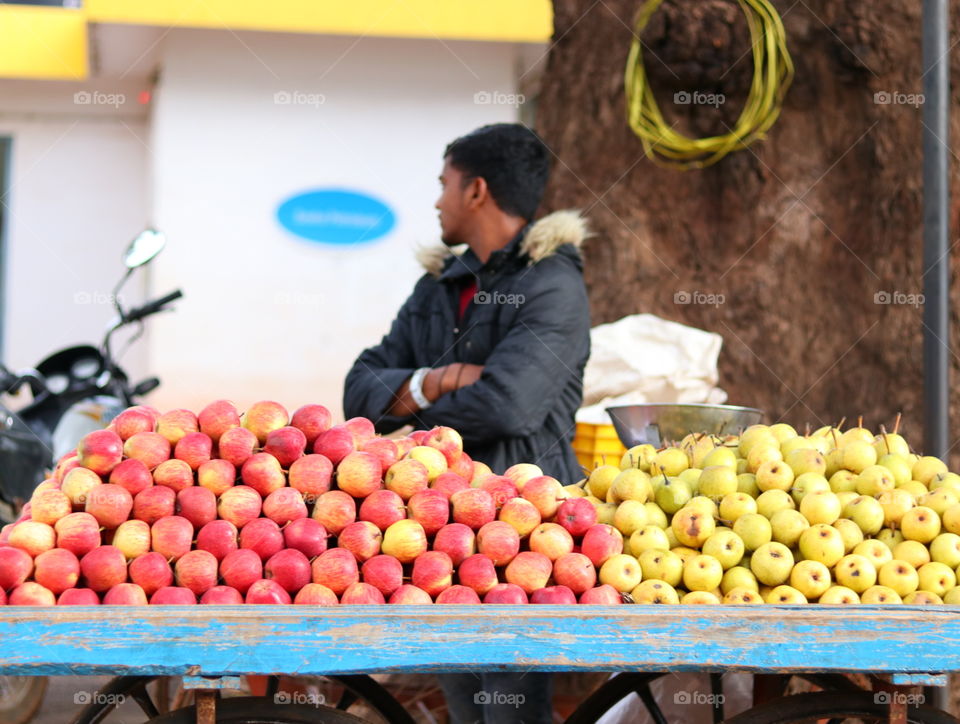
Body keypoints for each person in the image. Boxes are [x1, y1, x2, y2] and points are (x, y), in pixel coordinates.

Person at [343, 122, 591, 724]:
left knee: (511, 708)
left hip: (525, 526)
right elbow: (359, 389)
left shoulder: (553, 285)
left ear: (475, 190)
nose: (436, 200)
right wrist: (442, 378)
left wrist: (408, 404)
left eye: (444, 184)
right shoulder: (440, 284)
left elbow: (509, 404)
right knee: (463, 700)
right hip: (438, 526)